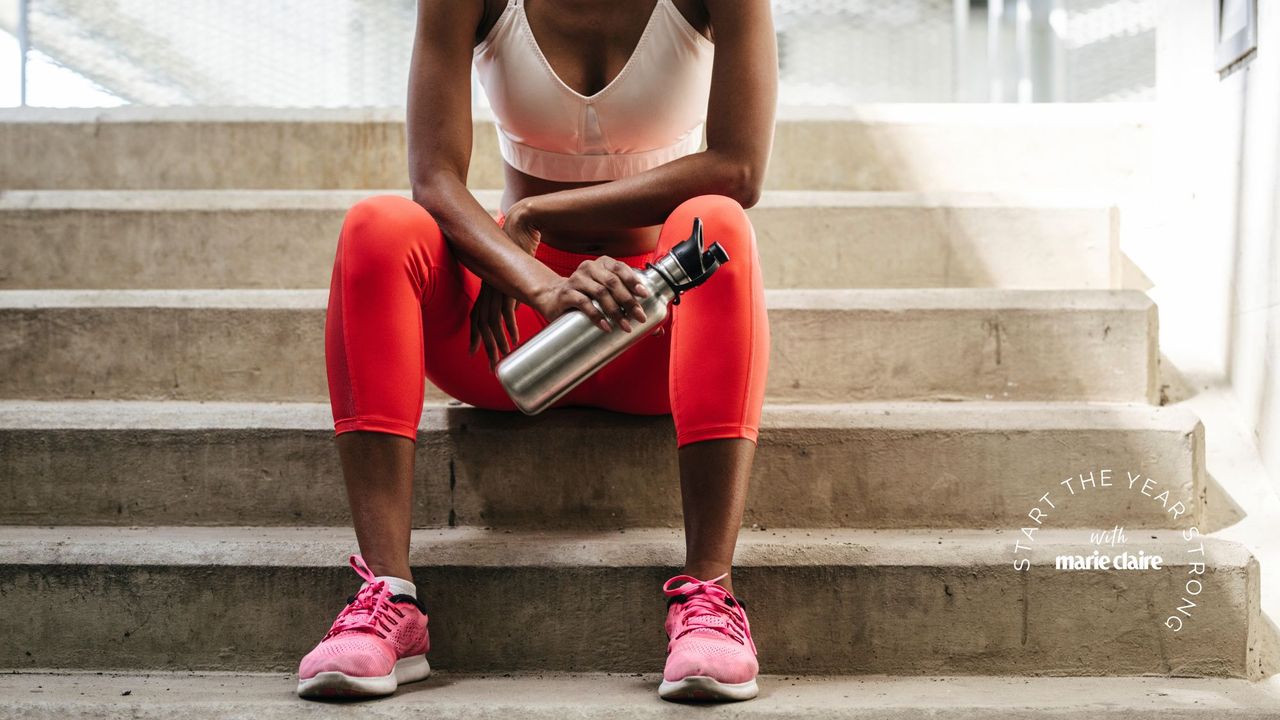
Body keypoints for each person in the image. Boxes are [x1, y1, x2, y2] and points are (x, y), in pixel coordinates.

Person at [297, 0, 776, 703]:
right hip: (508, 330)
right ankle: (388, 603)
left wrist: (532, 214)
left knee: (718, 226)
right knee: (377, 225)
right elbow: (432, 178)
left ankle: (708, 602)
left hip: (654, 333)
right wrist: (540, 285)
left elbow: (738, 170)